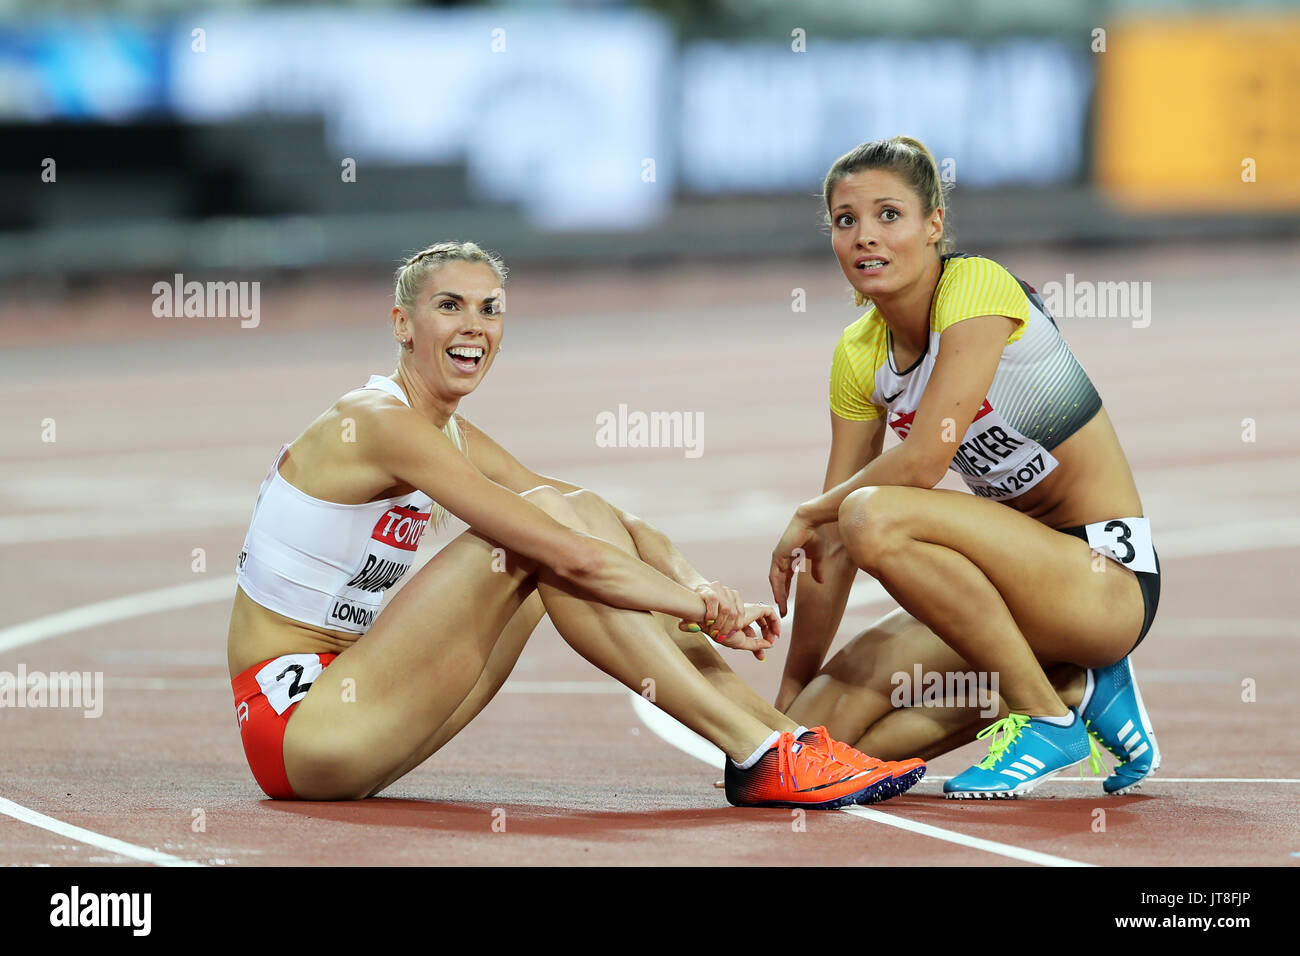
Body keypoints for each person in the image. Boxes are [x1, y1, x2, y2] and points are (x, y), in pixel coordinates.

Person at [227, 240, 921, 810]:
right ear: (403, 324)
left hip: (357, 711)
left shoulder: (446, 432)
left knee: (573, 513)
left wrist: (697, 582)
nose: (474, 326)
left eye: (489, 309)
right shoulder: (379, 424)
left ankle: (782, 739)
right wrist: (697, 609)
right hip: (302, 731)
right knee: (540, 543)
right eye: (450, 307)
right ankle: (758, 754)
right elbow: (571, 555)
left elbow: (607, 517)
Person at [768, 137, 1161, 798]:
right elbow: (830, 546)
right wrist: (779, 715)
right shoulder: (858, 353)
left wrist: (813, 510)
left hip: (1103, 582)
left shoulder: (975, 287)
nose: (865, 236)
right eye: (846, 221)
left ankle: (1047, 715)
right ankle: (1076, 684)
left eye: (888, 215)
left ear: (934, 225)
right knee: (820, 743)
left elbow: (921, 463)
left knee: (874, 514)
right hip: (1010, 594)